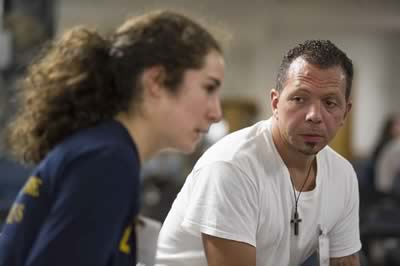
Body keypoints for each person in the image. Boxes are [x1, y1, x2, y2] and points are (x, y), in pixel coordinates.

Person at [0, 10, 225, 266]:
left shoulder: (103, 150)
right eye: (208, 88)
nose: (216, 113)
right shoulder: (107, 160)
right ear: (156, 82)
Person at [156, 40, 361, 266]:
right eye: (299, 99)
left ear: (345, 113)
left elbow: (344, 261)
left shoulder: (342, 174)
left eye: (330, 103)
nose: (314, 115)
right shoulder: (231, 166)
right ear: (275, 103)